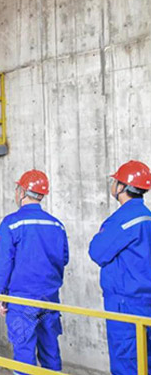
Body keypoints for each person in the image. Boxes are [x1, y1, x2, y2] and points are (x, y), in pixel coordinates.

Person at [0, 170, 68, 374]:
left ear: (23, 191)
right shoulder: (56, 225)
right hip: (49, 299)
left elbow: (2, 263)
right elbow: (64, 259)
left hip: (22, 301)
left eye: (18, 189)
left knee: (24, 354)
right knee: (51, 352)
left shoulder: (11, 223)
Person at [89, 160, 151, 375]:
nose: (113, 185)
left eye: (116, 181)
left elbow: (97, 252)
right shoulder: (147, 217)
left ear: (123, 187)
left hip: (126, 304)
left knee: (126, 362)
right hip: (147, 302)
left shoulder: (122, 219)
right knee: (147, 361)